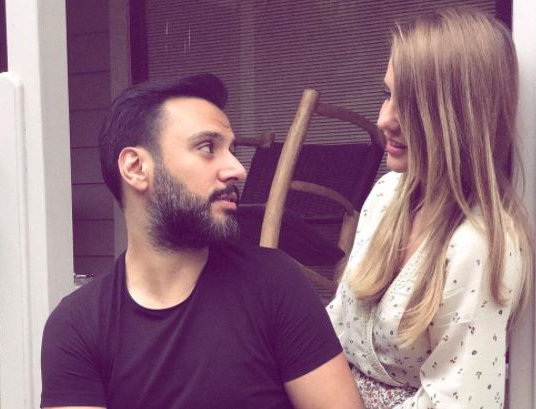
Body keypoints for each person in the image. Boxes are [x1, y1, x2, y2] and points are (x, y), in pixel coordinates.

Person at [40, 74, 363, 409]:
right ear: (136, 168)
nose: (237, 169)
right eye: (207, 147)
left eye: (232, 150)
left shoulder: (274, 284)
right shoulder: (77, 325)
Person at [327, 7, 534, 409]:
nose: (383, 119)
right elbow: (338, 324)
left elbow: (459, 401)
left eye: (411, 104)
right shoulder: (387, 194)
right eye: (387, 95)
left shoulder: (479, 245)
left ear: (459, 118)